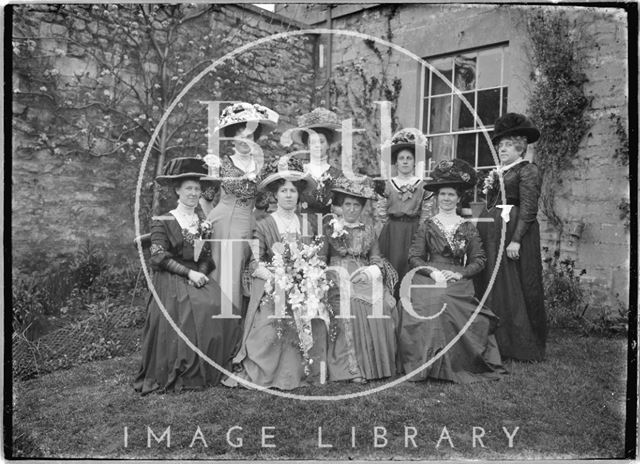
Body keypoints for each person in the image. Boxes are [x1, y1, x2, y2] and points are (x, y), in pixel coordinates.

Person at [134, 157, 242, 394]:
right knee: (197, 311)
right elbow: (158, 257)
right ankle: (186, 370)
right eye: (188, 189)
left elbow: (205, 257)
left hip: (196, 275)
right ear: (177, 191)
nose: (193, 193)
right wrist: (189, 273)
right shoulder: (163, 220)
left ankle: (215, 364)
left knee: (224, 308)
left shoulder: (203, 221)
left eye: (197, 189)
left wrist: (201, 273)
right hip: (171, 277)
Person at [399, 159, 506, 383]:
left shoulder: (467, 226)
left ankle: (452, 362)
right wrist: (431, 272)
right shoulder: (428, 225)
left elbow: (479, 259)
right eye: (443, 195)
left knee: (445, 298)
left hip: (457, 276)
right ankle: (425, 361)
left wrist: (461, 273)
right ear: (437, 198)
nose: (447, 199)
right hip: (429, 275)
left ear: (458, 198)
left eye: (451, 195)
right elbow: (414, 257)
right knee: (429, 299)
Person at [224, 158, 322, 390]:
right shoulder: (264, 224)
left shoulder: (307, 224)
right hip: (274, 287)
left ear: (298, 196)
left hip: (302, 286)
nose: (288, 195)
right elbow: (255, 262)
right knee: (270, 324)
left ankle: (305, 367)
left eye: (292, 191)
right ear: (275, 196)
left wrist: (307, 275)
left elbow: (316, 257)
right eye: (283, 191)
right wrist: (278, 277)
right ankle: (267, 369)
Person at [474, 113, 547, 361]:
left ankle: (520, 343)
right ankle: (496, 340)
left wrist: (516, 239)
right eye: (500, 145)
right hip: (494, 234)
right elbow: (492, 202)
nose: (502, 149)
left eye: (507, 145)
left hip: (514, 233)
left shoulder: (527, 171)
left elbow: (528, 208)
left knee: (515, 283)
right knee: (495, 283)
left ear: (520, 147)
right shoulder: (500, 171)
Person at [322, 175, 398, 381]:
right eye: (348, 204)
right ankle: (353, 369)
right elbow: (322, 258)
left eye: (357, 205)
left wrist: (372, 271)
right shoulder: (330, 228)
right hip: (338, 274)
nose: (352, 209)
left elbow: (375, 256)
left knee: (383, 305)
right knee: (351, 307)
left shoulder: (369, 229)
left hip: (364, 274)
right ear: (341, 205)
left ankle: (377, 365)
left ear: (363, 207)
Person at [207, 102, 279, 317]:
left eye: (249, 137)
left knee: (246, 276)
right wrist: (206, 224)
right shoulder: (221, 164)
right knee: (227, 275)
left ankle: (243, 333)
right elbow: (206, 197)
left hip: (250, 224)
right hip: (225, 223)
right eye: (240, 137)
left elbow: (262, 203)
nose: (245, 142)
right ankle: (224, 331)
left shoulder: (261, 167)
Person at [377, 128, 435, 288]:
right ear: (395, 162)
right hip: (392, 232)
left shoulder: (423, 186)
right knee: (391, 266)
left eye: (409, 158)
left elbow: (426, 214)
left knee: (410, 268)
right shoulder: (388, 185)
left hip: (414, 231)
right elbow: (381, 212)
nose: (404, 161)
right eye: (401, 158)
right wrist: (386, 228)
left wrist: (422, 235)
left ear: (414, 161)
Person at [290, 107, 343, 236]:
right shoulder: (299, 171)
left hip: (328, 228)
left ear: (328, 144)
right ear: (307, 145)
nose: (317, 145)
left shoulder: (337, 174)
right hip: (303, 227)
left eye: (321, 141)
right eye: (312, 142)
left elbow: (340, 207)